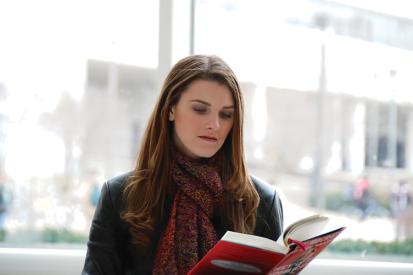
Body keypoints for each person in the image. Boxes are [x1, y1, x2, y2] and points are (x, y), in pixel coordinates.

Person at [82, 55, 284, 275]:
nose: (214, 125)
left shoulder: (262, 202)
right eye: (200, 109)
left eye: (226, 114)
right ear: (170, 109)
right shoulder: (120, 196)